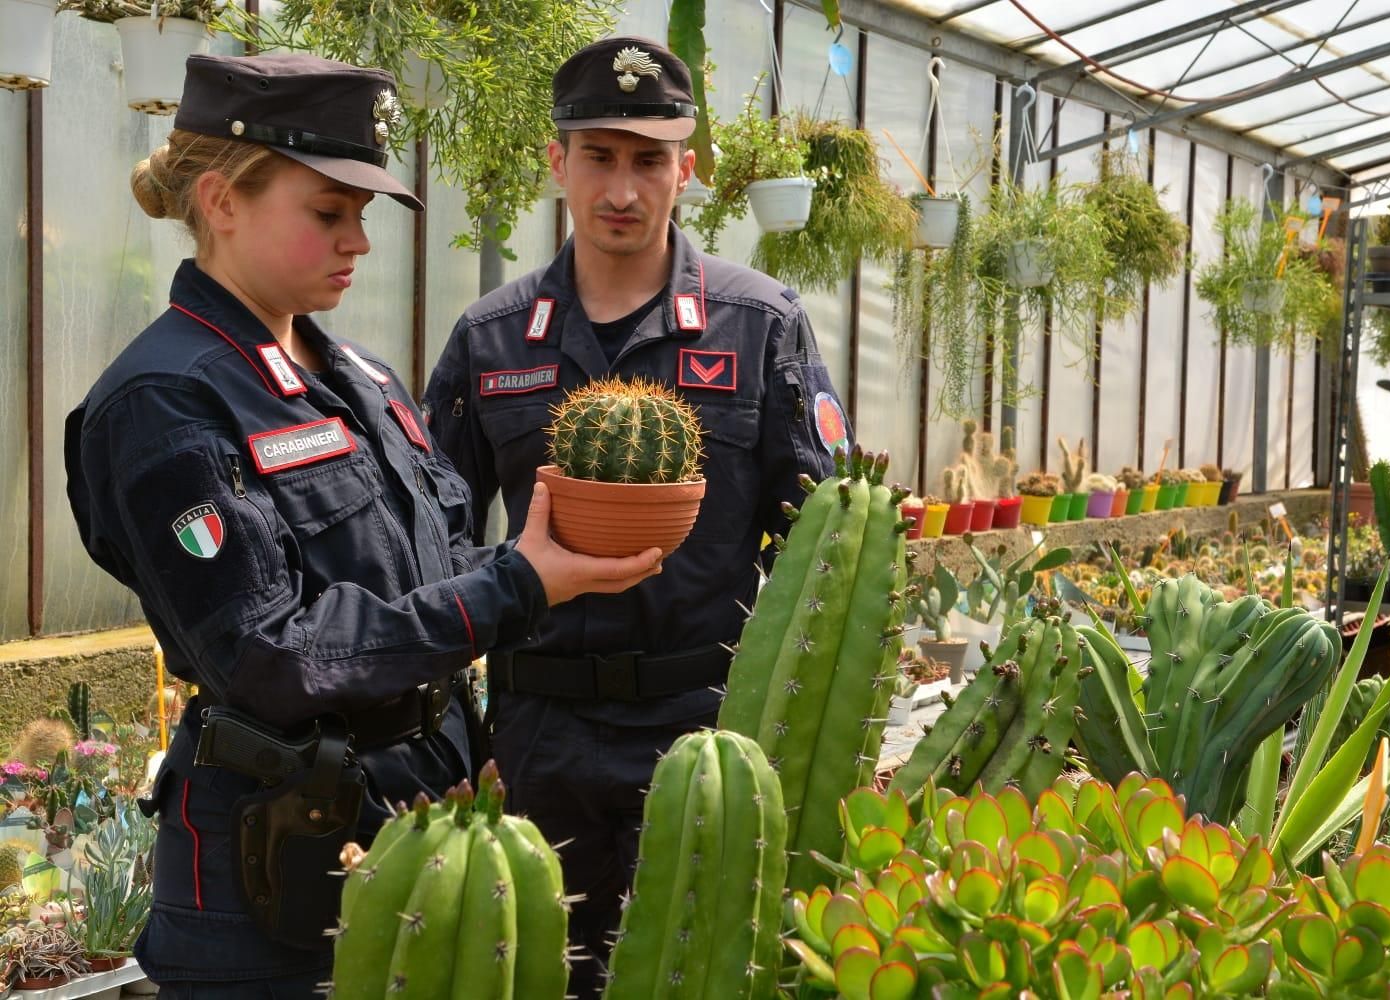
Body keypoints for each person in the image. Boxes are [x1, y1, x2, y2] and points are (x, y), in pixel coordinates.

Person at [64, 52, 663, 997]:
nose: (358, 243)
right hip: (278, 861)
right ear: (222, 202)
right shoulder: (165, 402)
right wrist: (515, 585)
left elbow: (432, 565)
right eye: (327, 213)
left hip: (418, 820)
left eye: (363, 217)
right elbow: (272, 653)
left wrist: (545, 556)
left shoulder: (362, 380)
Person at [423, 35, 850, 997]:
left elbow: (829, 537)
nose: (623, 189)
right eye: (600, 156)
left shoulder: (760, 324)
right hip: (541, 729)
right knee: (541, 976)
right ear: (557, 162)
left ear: (685, 170)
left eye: (649, 159)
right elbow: (434, 535)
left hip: (705, 729)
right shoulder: (492, 340)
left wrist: (799, 732)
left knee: (702, 973)